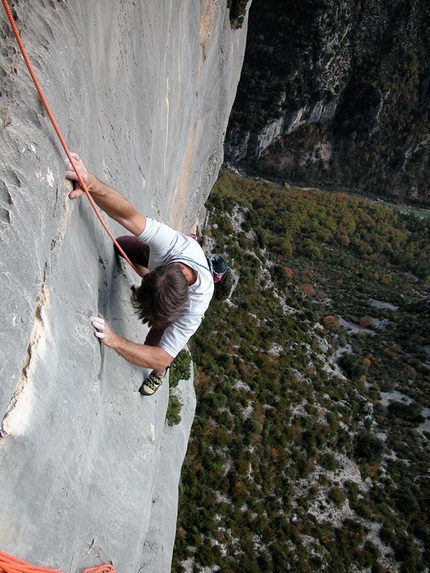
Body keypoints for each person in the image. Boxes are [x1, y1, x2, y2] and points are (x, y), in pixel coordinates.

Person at [65, 153, 215, 396]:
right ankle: (150, 291)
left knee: (151, 349)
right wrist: (89, 182)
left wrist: (114, 341)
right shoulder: (172, 246)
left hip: (172, 307)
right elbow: (127, 215)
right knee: (121, 245)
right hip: (163, 268)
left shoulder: (195, 307)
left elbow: (161, 357)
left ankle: (160, 378)